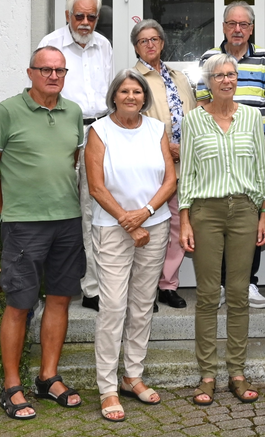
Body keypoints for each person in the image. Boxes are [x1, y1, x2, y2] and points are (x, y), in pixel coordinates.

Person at [0, 46, 85, 420]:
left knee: (58, 299)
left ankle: (48, 378)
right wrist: (7, 210)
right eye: (45, 69)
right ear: (30, 72)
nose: (53, 76)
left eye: (59, 70)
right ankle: (12, 386)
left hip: (67, 221)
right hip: (24, 225)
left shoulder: (73, 113)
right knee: (19, 304)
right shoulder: (7, 111)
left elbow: (72, 162)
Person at [85, 70, 177, 422]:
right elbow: (96, 185)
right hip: (112, 228)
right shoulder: (99, 130)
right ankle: (107, 388)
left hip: (152, 226)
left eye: (137, 91)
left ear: (144, 97)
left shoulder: (156, 129)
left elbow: (169, 179)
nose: (131, 96)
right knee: (112, 307)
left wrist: (145, 213)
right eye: (124, 91)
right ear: (114, 96)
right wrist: (127, 219)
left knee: (141, 305)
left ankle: (132, 377)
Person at [180, 54, 265, 406]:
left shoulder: (251, 116)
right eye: (219, 75)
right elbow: (186, 172)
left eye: (232, 74)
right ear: (208, 82)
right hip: (206, 211)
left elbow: (260, 170)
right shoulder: (193, 121)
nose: (226, 80)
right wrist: (185, 218)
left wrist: (263, 213)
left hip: (245, 211)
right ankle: (206, 374)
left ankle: (236, 371)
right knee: (206, 295)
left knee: (237, 293)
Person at [197, 1, 265, 308]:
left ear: (251, 28)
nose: (238, 29)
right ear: (223, 27)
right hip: (217, 149)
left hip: (253, 149)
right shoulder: (209, 58)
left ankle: (247, 283)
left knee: (250, 212)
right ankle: (219, 285)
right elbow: (201, 102)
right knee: (218, 213)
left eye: (244, 24)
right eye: (232, 24)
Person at [38, 0, 114, 311]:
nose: (85, 22)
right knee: (62, 211)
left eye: (91, 16)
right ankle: (58, 284)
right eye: (79, 16)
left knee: (95, 208)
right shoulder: (50, 44)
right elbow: (41, 93)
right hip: (63, 131)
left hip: (99, 130)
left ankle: (94, 288)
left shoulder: (105, 45)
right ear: (68, 16)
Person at [131, 19, 197, 309]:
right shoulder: (131, 79)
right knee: (152, 227)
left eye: (155, 39)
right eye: (144, 40)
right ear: (135, 46)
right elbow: (131, 122)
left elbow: (194, 117)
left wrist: (188, 148)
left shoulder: (179, 76)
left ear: (162, 42)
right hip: (152, 166)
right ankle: (145, 288)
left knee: (176, 226)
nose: (150, 44)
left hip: (184, 165)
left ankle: (167, 285)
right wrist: (164, 148)